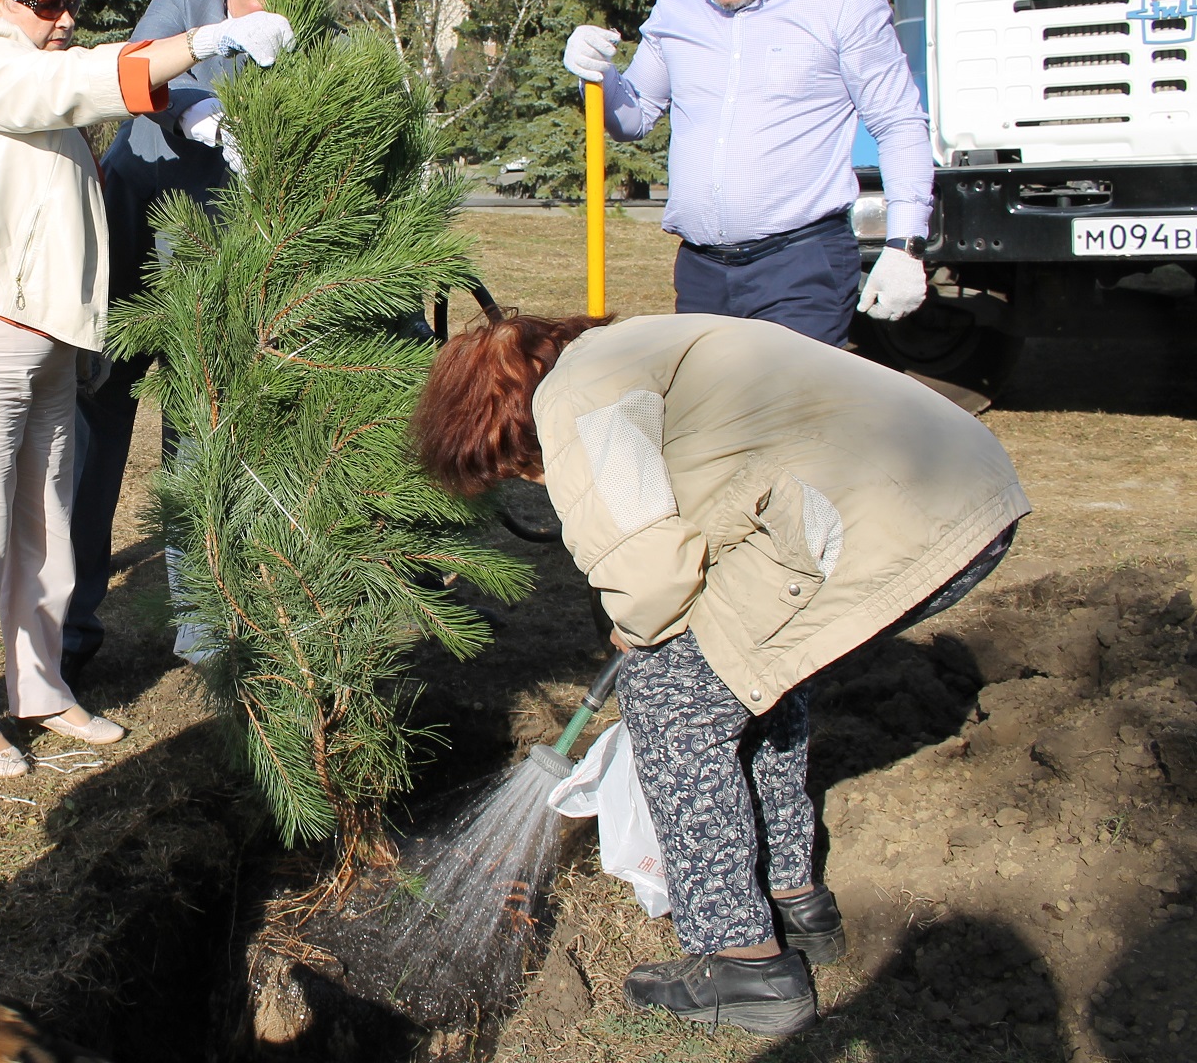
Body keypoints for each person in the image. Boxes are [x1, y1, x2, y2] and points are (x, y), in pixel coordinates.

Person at [413, 310, 1028, 1036]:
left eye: (516, 463)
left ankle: (742, 963)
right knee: (749, 665)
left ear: (506, 413)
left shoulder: (576, 393)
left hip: (884, 514)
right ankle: (794, 901)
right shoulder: (646, 344)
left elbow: (646, 568)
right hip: (963, 494)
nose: (530, 476)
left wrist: (636, 627)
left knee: (669, 700)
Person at [0, 0, 293, 777]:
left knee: (44, 534)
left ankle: (41, 688)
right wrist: (211, 39)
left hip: (44, 342)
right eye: (44, 3)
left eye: (69, 1)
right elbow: (74, 86)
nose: (63, 18)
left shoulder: (25, 55)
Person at [561, 0, 934, 348]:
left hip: (800, 267)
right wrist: (596, 74)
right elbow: (631, 119)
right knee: (707, 419)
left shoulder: (842, 3)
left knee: (786, 417)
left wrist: (904, 246)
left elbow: (899, 123)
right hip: (701, 272)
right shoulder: (675, 10)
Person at [64, 0, 286, 689]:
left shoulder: (302, 25)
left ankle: (200, 628)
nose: (281, 6)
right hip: (132, 240)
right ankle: (68, 625)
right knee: (97, 424)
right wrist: (196, 107)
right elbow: (138, 65)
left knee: (198, 433)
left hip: (214, 254)